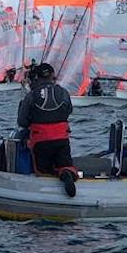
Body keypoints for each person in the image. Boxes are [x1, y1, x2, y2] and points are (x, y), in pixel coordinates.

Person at [17, 63, 77, 196]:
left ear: (36, 78)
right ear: (52, 76)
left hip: (40, 140)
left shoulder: (31, 95)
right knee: (65, 163)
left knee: (43, 171)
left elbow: (22, 122)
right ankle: (66, 172)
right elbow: (68, 111)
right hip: (61, 137)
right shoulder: (63, 92)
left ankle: (46, 193)